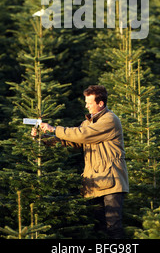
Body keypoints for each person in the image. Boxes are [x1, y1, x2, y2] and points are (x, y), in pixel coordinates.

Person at [31, 84, 129, 239]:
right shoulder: (89, 122)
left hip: (112, 181)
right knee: (99, 227)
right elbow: (74, 141)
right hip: (95, 181)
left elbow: (83, 135)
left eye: (89, 103)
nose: (86, 106)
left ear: (100, 103)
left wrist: (54, 129)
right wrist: (43, 139)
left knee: (113, 227)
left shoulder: (110, 120)